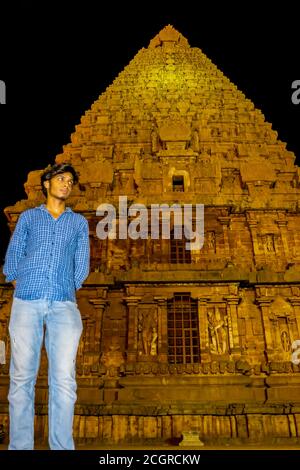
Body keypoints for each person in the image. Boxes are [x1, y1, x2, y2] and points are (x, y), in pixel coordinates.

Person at [3, 163, 90, 450]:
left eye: (70, 181)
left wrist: (68, 286)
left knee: (64, 380)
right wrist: (19, 281)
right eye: (60, 179)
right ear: (46, 184)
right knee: (21, 379)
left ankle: (62, 447)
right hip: (27, 300)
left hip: (64, 303)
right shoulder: (29, 218)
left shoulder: (78, 223)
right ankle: (20, 447)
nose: (66, 184)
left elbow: (82, 265)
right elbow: (14, 254)